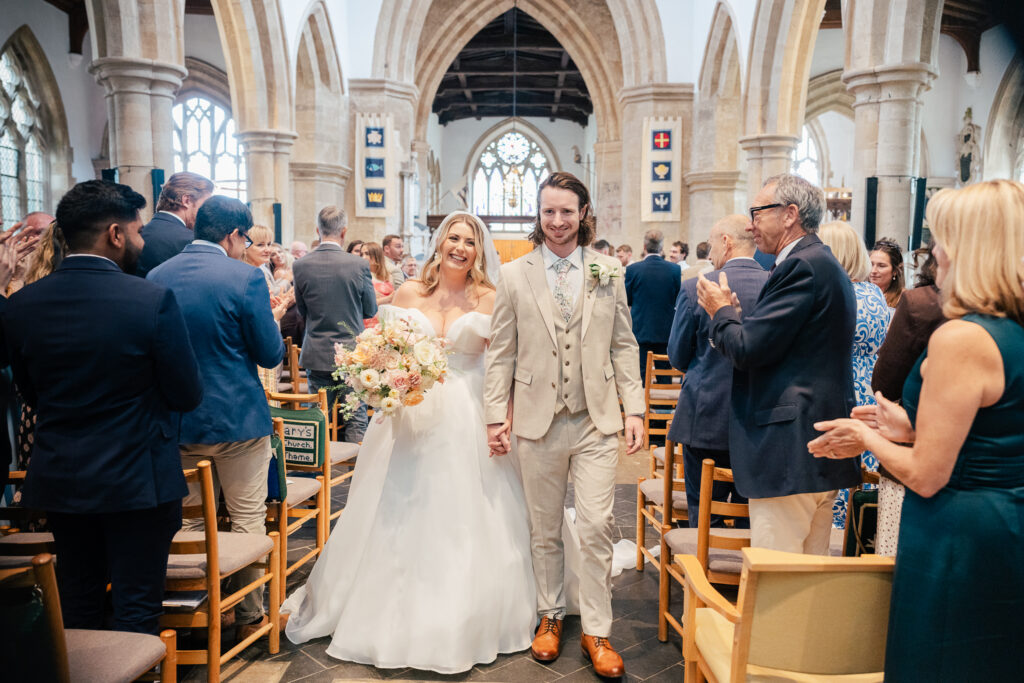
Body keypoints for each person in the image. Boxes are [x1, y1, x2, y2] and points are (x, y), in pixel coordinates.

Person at [282, 211, 535, 674]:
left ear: (480, 251)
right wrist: (378, 383)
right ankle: (387, 606)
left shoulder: (490, 297)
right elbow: (381, 349)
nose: (460, 247)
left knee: (465, 511)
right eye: (453, 237)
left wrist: (504, 419)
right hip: (408, 413)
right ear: (439, 243)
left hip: (468, 413)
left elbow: (504, 366)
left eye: (470, 241)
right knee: (398, 504)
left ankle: (463, 612)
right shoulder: (408, 293)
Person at [809, 179, 1024, 681]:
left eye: (942, 239)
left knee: (939, 659)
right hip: (1005, 521)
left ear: (972, 249)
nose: (934, 254)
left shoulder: (963, 337)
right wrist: (906, 426)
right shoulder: (1010, 328)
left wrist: (868, 439)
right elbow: (995, 423)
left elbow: (927, 476)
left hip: (958, 531)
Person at [2, 180, 203, 634]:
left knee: (77, 601)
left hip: (63, 477)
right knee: (137, 606)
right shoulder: (150, 299)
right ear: (115, 233)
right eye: (136, 232)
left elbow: (31, 393)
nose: (140, 241)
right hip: (138, 479)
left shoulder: (22, 305)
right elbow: (187, 393)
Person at [484, 171, 645, 678]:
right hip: (537, 420)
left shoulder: (607, 270)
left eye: (566, 211)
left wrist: (634, 408)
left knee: (597, 525)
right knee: (544, 528)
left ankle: (598, 630)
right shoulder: (514, 275)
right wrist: (495, 417)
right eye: (548, 211)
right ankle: (550, 616)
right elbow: (501, 355)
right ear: (539, 214)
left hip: (596, 418)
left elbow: (624, 344)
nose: (557, 221)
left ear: (583, 213)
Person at [696, 173, 860, 554]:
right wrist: (735, 318)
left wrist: (719, 311)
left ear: (789, 214)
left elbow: (748, 351)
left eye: (757, 212)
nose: (751, 224)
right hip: (811, 447)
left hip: (791, 452)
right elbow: (777, 345)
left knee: (777, 578)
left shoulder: (801, 266)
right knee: (805, 583)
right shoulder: (819, 262)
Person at [148, 195, 284, 638]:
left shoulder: (156, 276)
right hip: (238, 419)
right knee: (246, 517)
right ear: (232, 235)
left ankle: (191, 613)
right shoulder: (244, 278)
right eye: (244, 238)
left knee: (187, 521)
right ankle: (248, 617)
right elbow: (268, 352)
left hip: (178, 420)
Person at [668, 215, 768, 526]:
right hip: (759, 421)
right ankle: (742, 574)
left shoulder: (696, 286)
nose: (710, 253)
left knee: (703, 514)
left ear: (726, 241)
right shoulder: (775, 286)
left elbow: (678, 356)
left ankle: (702, 569)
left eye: (712, 243)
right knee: (751, 515)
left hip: (705, 416)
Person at [869, 241, 945, 555]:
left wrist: (869, 433)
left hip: (918, 462)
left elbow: (885, 381)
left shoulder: (920, 304)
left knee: (898, 566)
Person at [818, 221, 891, 528]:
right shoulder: (875, 293)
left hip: (837, 385)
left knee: (836, 461)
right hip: (868, 386)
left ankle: (834, 528)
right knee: (864, 468)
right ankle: (859, 528)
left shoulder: (835, 294)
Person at [292, 206, 376, 442]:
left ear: (318, 230)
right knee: (356, 415)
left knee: (316, 416)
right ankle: (356, 474)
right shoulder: (358, 265)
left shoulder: (300, 265)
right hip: (352, 354)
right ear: (344, 231)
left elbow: (301, 310)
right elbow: (370, 309)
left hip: (317, 352)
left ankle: (315, 471)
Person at [625, 229, 681, 384]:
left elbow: (627, 299)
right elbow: (677, 300)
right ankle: (664, 408)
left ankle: (642, 406)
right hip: (665, 331)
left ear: (644, 246)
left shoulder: (632, 270)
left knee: (640, 374)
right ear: (662, 247)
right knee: (664, 373)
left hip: (640, 330)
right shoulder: (674, 270)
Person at [136, 171, 213, 278]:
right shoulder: (191, 242)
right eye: (204, 205)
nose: (205, 212)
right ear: (187, 200)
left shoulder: (139, 235)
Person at [869, 237, 904, 310]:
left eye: (881, 266)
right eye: (871, 264)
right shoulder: (860, 293)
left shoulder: (904, 298)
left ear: (895, 271)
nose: (873, 271)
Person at [360, 241, 396, 309]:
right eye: (361, 254)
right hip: (370, 317)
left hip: (387, 315)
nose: (363, 257)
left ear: (376, 255)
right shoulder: (361, 276)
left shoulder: (389, 276)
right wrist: (388, 298)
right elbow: (364, 305)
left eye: (367, 254)